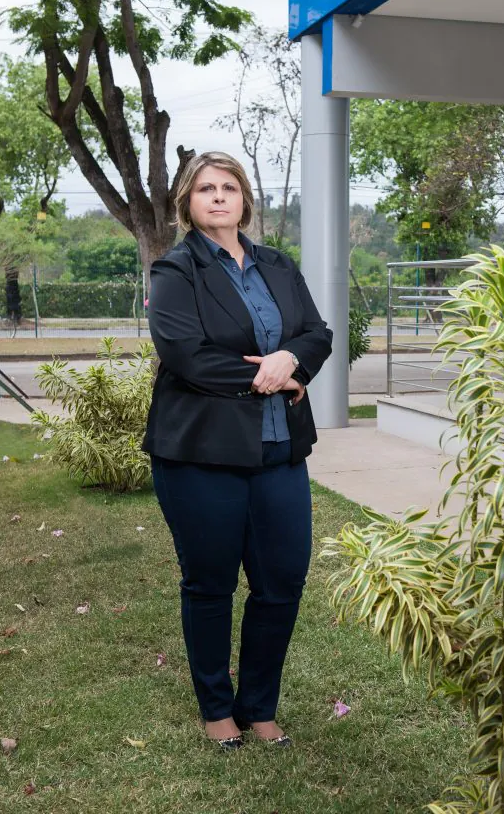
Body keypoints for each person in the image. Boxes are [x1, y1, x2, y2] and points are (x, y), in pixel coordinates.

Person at [142, 151, 332, 751]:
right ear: (188, 203)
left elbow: (317, 333)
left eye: (229, 187)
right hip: (201, 455)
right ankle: (217, 709)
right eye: (206, 189)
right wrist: (270, 374)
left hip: (280, 450)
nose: (219, 196)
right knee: (210, 584)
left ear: (245, 199)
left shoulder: (278, 264)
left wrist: (292, 358)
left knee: (282, 581)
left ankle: (259, 706)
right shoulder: (175, 271)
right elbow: (186, 354)